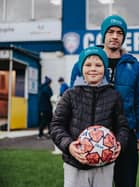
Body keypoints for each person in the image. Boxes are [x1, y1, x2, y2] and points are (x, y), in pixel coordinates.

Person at [50, 46, 130, 187]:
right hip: (74, 163)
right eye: (88, 65)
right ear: (81, 69)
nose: (93, 68)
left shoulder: (114, 95)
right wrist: (69, 146)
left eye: (98, 65)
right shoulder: (70, 94)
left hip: (104, 165)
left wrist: (119, 144)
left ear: (104, 69)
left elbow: (123, 127)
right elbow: (56, 126)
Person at [98, 15, 139, 187]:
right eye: (110, 31)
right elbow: (75, 99)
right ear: (103, 34)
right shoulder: (89, 62)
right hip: (96, 135)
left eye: (119, 33)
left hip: (126, 135)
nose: (115, 36)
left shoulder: (134, 66)